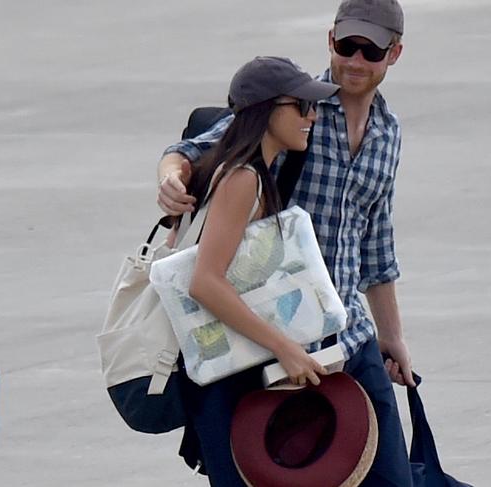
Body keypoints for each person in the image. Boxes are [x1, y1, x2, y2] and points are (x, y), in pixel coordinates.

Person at [160, 1, 416, 485]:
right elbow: (192, 152)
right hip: (268, 352)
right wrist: (170, 178)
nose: (356, 61)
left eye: (371, 51)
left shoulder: (388, 133)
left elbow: (377, 243)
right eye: (347, 46)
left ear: (394, 54)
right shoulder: (292, 105)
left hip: (349, 338)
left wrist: (393, 336)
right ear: (330, 40)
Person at [174, 55, 340, 486]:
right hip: (225, 380)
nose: (312, 116)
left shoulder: (254, 172)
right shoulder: (243, 177)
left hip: (233, 369)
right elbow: (206, 282)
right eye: (301, 106)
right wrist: (284, 347)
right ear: (266, 110)